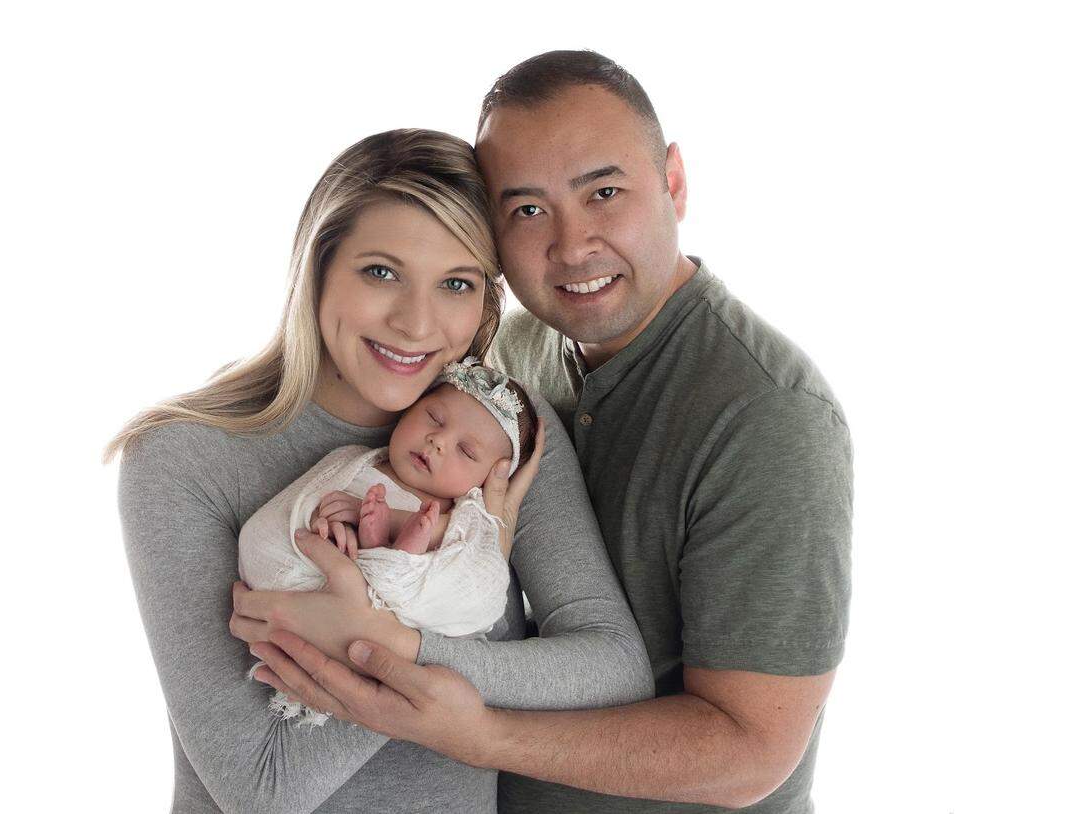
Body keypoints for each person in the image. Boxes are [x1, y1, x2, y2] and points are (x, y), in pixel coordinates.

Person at [243, 52, 853, 812]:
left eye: (604, 193)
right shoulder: (511, 361)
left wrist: (475, 731)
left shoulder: (768, 418)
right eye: (528, 210)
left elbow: (750, 754)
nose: (571, 245)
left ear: (673, 182)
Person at [109, 128, 652, 812]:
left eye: (456, 283)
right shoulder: (186, 457)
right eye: (381, 272)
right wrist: (415, 630)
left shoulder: (500, 433)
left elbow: (614, 669)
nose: (416, 324)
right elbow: (262, 787)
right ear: (317, 269)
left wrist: (399, 643)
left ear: (487, 300)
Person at [238, 360, 538, 724]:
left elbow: (467, 549)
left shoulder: (461, 509)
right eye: (433, 417)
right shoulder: (354, 462)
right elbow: (309, 503)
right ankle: (379, 551)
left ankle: (392, 555)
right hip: (316, 590)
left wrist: (392, 519)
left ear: (489, 479)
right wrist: (325, 524)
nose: (438, 441)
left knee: (439, 544)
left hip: (397, 604)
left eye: (467, 451)